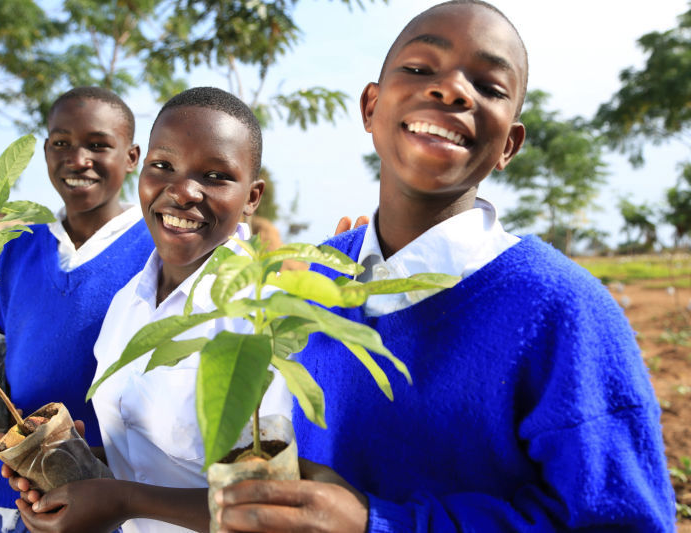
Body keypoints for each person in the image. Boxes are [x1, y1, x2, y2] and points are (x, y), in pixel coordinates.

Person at [215, 1, 677, 531]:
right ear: (370, 106)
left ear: (509, 144)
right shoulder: (313, 279)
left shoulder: (561, 309)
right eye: (418, 69)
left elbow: (623, 521)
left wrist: (377, 522)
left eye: (489, 85)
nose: (453, 90)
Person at [6, 87, 292, 533]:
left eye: (215, 176)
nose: (181, 191)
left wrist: (122, 501)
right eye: (163, 167)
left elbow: (267, 506)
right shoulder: (129, 303)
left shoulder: (257, 319)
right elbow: (146, 462)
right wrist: (69, 465)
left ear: (252, 197)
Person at [0, 86, 155, 533]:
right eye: (61, 143)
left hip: (105, 502)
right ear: (45, 151)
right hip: (6, 496)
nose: (77, 159)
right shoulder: (12, 248)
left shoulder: (158, 249)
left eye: (98, 145)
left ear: (132, 156)